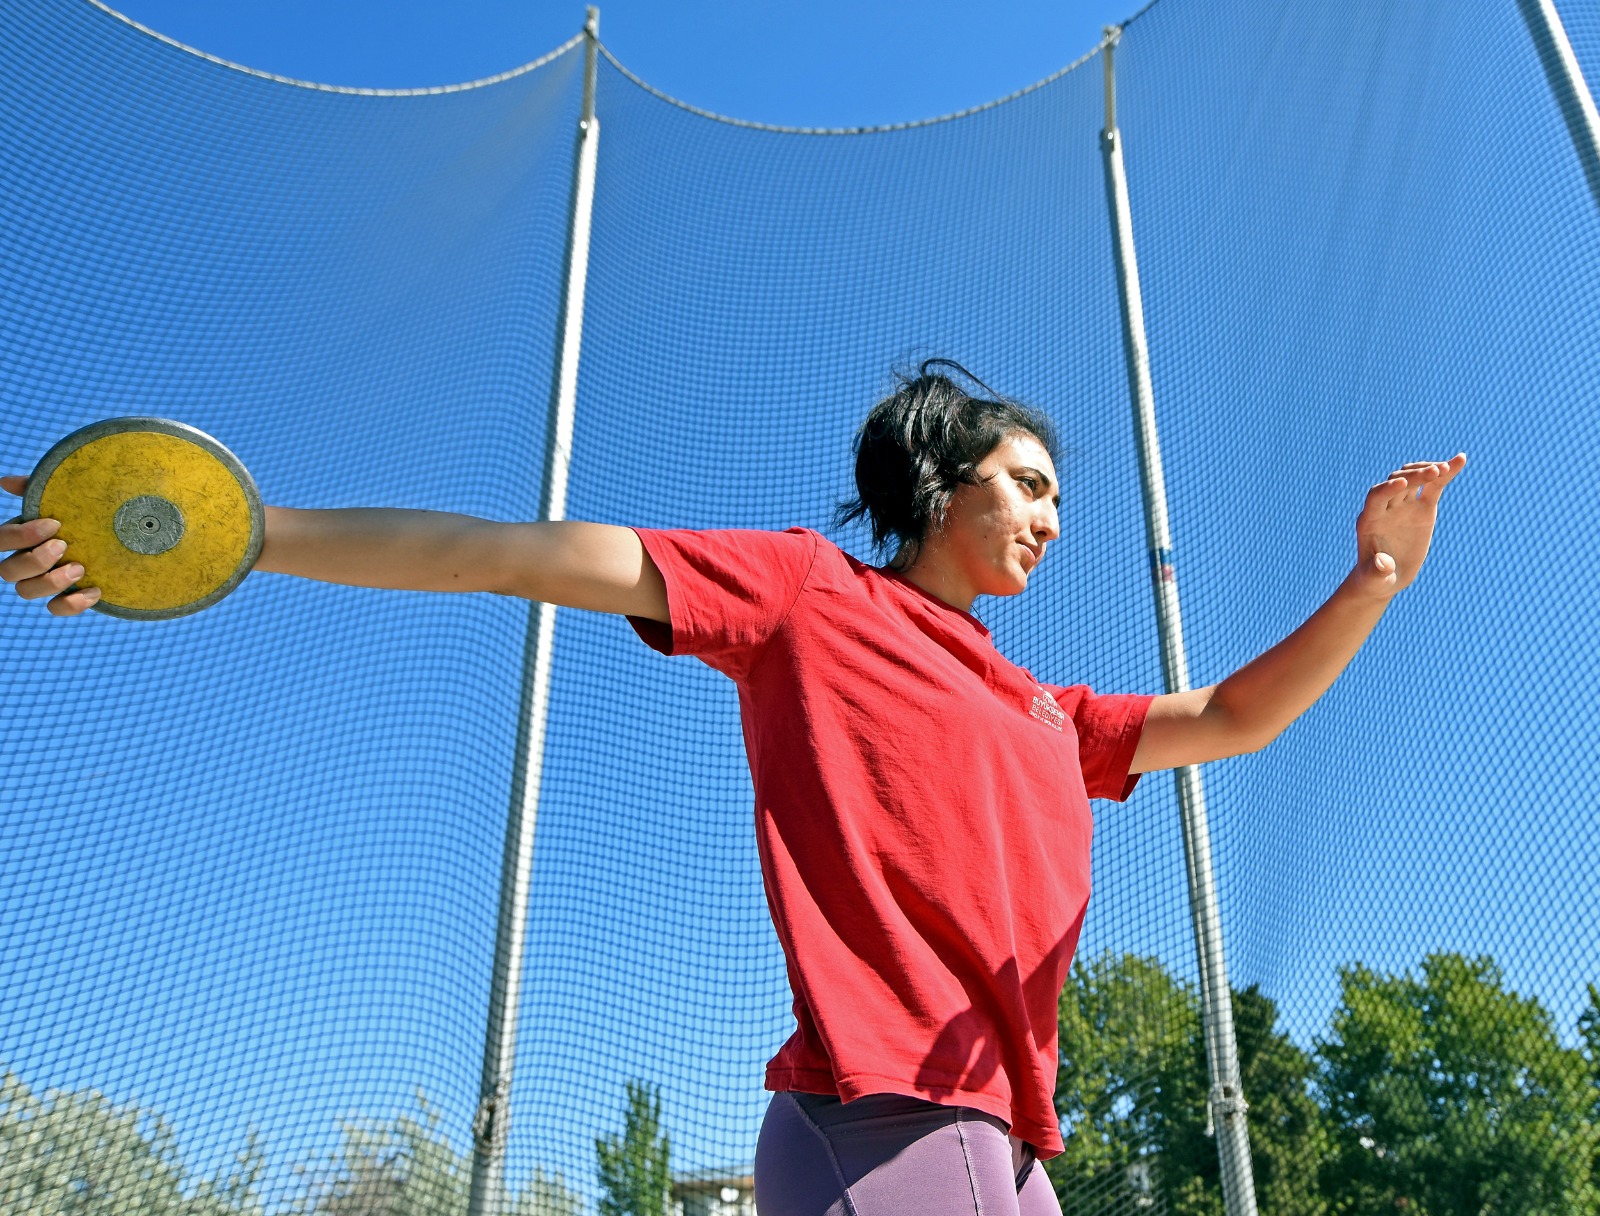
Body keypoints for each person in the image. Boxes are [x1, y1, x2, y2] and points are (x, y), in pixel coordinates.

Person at [0, 361, 1465, 1215]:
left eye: (1061, 499)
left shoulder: (1048, 712)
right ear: (940, 480)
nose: (1050, 517)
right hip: (896, 1115)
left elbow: (1236, 717)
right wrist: (254, 533)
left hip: (982, 1138)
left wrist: (1375, 578)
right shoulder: (810, 594)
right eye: (1026, 483)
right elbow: (510, 555)